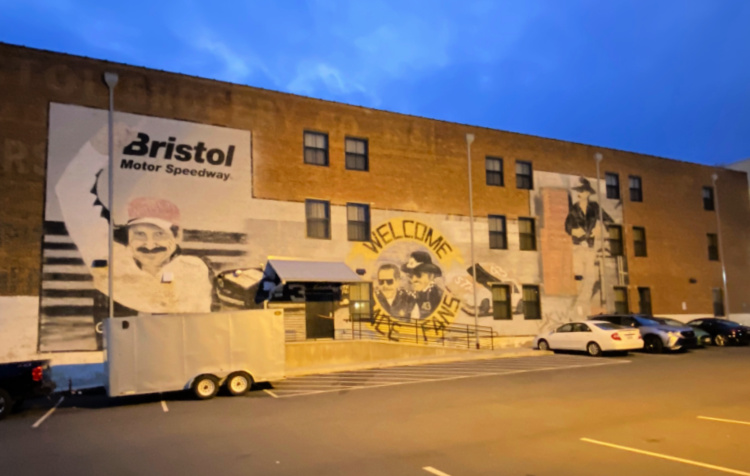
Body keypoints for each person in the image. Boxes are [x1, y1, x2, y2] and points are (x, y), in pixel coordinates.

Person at [55, 124, 212, 315]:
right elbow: (69, 190)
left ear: (177, 236)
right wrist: (98, 148)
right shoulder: (109, 258)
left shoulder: (193, 270)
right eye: (139, 233)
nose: (150, 244)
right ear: (128, 236)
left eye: (159, 233)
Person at [564, 177, 613, 247]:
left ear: (588, 193)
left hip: (590, 243)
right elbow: (567, 226)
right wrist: (575, 231)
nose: (581, 193)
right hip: (578, 244)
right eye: (580, 191)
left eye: (583, 191)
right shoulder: (574, 209)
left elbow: (608, 220)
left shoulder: (594, 207)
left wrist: (600, 230)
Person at [401, 251, 444, 319]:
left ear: (431, 276)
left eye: (419, 275)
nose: (413, 280)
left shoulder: (439, 296)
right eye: (411, 275)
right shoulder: (406, 295)